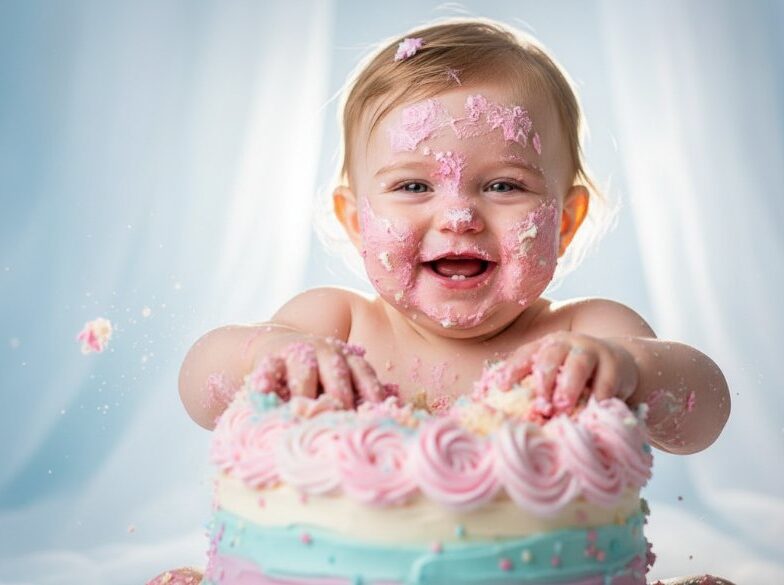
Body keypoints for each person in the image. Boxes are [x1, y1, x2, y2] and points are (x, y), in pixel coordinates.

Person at [175, 17, 734, 585]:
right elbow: (201, 387)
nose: (460, 217)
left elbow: (705, 413)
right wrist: (265, 353)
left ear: (565, 221)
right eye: (414, 186)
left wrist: (630, 368)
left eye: (504, 185)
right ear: (356, 220)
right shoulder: (334, 323)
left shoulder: (584, 334)